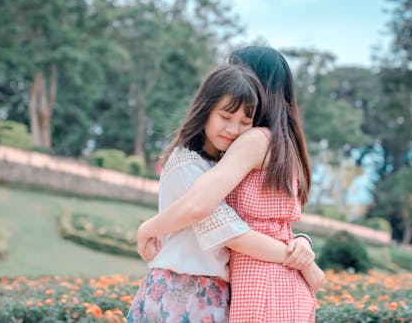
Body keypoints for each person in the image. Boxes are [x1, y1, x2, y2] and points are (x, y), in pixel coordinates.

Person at [136, 46, 324, 322]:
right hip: (264, 282)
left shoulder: (256, 140)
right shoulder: (277, 143)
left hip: (263, 284)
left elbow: (205, 209)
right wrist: (302, 252)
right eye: (225, 116)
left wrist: (146, 228)